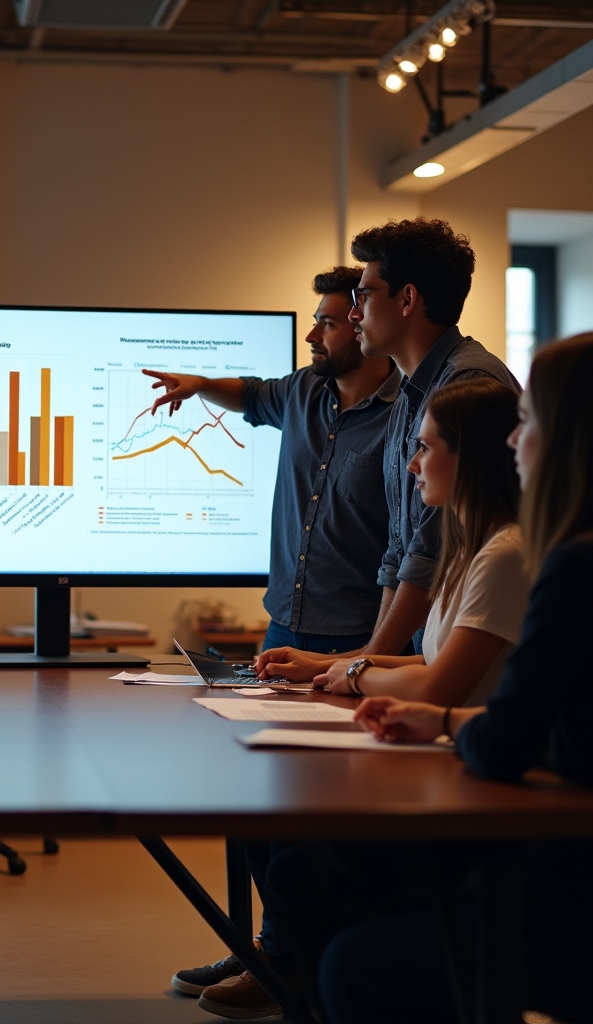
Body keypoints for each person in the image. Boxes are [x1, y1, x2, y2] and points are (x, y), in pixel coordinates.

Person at [266, 334, 593, 1024]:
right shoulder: (490, 549)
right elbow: (528, 715)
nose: (515, 442)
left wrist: (424, 710)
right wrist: (340, 668)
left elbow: (502, 733)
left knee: (342, 942)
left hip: (552, 870)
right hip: (540, 834)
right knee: (306, 872)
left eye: (529, 422)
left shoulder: (553, 565)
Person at [147, 267, 399, 1019]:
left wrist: (369, 658)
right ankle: (266, 945)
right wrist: (199, 383)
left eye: (328, 321)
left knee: (308, 818)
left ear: (365, 328)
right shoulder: (304, 392)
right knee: (254, 797)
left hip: (351, 639)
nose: (313, 334)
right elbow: (252, 393)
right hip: (283, 628)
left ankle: (286, 959)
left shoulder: (403, 417)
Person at [256, 219, 518, 685]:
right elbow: (399, 554)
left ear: (407, 299)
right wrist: (355, 662)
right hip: (422, 660)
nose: (355, 314)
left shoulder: (465, 385)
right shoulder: (407, 396)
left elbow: (428, 552)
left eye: (364, 296)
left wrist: (360, 666)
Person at [255, 378, 527, 708]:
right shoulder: (467, 551)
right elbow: (431, 662)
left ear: (468, 457)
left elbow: (437, 687)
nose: (413, 464)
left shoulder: (504, 555)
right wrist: (319, 665)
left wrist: (356, 676)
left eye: (425, 448)